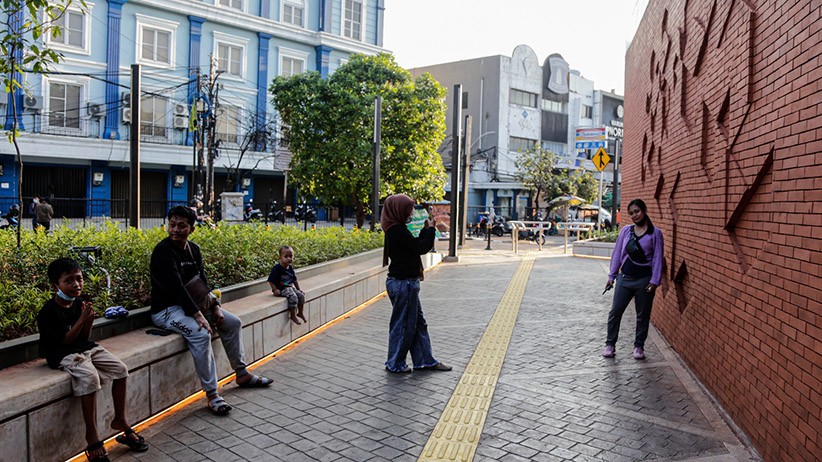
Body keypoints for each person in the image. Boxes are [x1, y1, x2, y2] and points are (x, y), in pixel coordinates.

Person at [150, 206, 272, 416]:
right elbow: (176, 287)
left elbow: (202, 281)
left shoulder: (193, 249)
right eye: (172, 225)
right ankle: (212, 394)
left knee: (232, 322)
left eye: (181, 226)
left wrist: (214, 306)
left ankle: (242, 374)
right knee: (200, 333)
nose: (175, 230)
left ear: (191, 229)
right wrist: (198, 315)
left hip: (193, 305)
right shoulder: (163, 252)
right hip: (167, 310)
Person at [37, 258, 148, 462]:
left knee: (120, 368)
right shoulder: (49, 312)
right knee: (90, 378)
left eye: (79, 279)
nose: (76, 285)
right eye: (68, 281)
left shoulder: (78, 303)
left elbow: (83, 338)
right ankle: (92, 436)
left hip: (82, 348)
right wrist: (82, 319)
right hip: (62, 353)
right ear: (55, 286)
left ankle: (120, 420)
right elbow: (64, 341)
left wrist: (88, 321)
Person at [381, 194, 451, 373]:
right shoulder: (396, 230)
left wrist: (424, 231)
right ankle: (395, 363)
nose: (411, 212)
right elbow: (420, 248)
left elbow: (413, 246)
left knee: (418, 323)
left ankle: (425, 360)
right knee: (404, 325)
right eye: (408, 208)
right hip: (404, 284)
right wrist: (430, 231)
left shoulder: (397, 229)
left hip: (405, 283)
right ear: (398, 209)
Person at [602, 199, 664, 360]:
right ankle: (610, 344)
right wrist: (612, 276)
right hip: (625, 278)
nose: (634, 215)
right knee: (615, 312)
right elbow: (617, 254)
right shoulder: (626, 231)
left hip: (645, 280)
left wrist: (655, 281)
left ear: (644, 210)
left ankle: (639, 347)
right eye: (631, 213)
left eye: (636, 211)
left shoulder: (655, 233)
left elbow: (658, 258)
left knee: (642, 315)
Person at [268, 245, 307, 325]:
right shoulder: (277, 269)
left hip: (290, 288)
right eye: (286, 256)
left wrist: (298, 289)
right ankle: (293, 315)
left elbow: (294, 280)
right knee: (293, 297)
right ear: (280, 258)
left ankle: (300, 312)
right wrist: (275, 289)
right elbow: (270, 280)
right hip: (281, 289)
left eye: (291, 256)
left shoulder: (290, 268)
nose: (289, 258)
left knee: (301, 296)